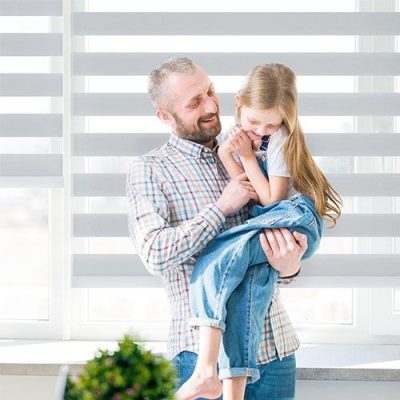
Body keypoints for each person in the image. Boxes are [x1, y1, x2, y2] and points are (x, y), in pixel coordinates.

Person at [126, 57, 312, 400]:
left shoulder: (255, 147)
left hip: (275, 351)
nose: (212, 104)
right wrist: (221, 208)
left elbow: (284, 228)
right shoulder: (150, 170)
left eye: (210, 91)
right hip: (200, 359)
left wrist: (291, 266)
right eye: (194, 101)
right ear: (165, 116)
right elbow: (155, 254)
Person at [176, 64, 342, 400]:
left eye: (272, 123)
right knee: (243, 293)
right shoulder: (234, 136)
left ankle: (206, 370)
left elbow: (269, 197)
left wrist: (248, 155)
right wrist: (227, 153)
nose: (263, 129)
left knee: (218, 257)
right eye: (255, 121)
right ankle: (227, 385)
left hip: (293, 217)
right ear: (238, 104)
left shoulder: (280, 140)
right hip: (272, 219)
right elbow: (248, 190)